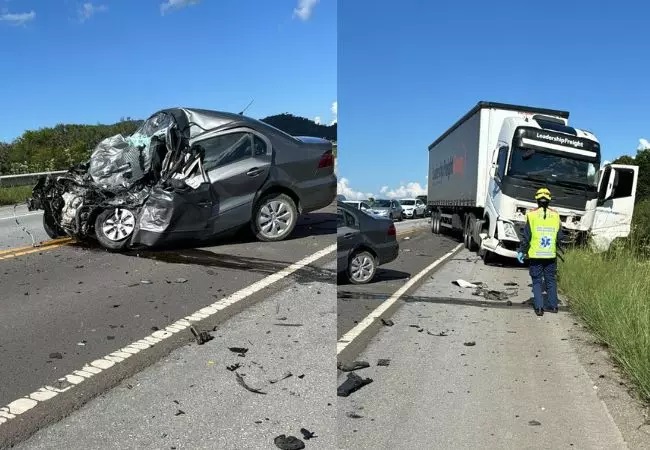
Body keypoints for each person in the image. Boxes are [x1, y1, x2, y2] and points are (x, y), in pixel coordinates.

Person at [516, 187, 564, 316]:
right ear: (549, 200)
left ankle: (539, 308)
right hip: (550, 255)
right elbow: (560, 236)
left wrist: (522, 251)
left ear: (537, 200)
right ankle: (553, 306)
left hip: (536, 255)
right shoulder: (555, 215)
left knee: (537, 281)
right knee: (550, 280)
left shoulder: (531, 215)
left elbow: (526, 237)